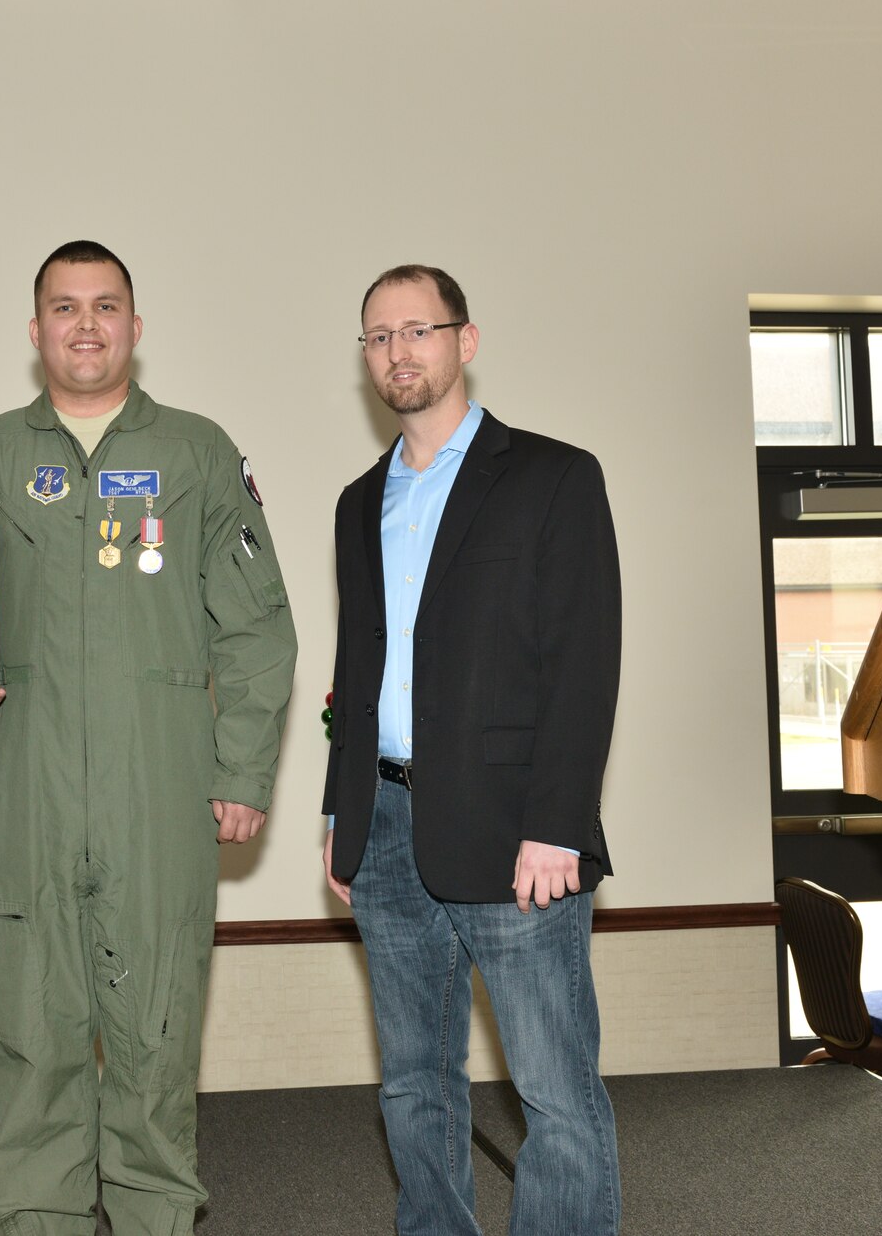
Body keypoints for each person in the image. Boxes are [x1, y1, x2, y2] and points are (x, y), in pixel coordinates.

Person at [0, 240, 297, 1235]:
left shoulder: (196, 453)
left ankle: (157, 1216)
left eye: (103, 306)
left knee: (154, 1034)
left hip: (156, 794)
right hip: (22, 796)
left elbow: (254, 627)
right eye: (63, 307)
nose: (83, 324)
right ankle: (36, 1219)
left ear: (134, 327)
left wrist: (241, 769)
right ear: (35, 333)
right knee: (29, 1036)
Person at [322, 264, 622, 1235]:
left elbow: (583, 662)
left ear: (464, 340)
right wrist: (340, 813)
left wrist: (555, 824)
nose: (397, 352)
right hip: (386, 829)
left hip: (514, 837)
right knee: (413, 1086)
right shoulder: (355, 502)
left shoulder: (551, 477)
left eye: (417, 330)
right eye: (377, 337)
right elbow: (354, 669)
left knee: (553, 1095)